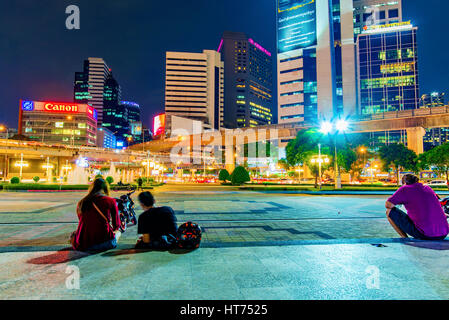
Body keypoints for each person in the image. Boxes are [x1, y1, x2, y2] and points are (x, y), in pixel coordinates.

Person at [385, 174, 449, 240]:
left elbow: (388, 205)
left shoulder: (404, 189)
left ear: (404, 183)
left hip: (426, 234)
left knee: (389, 211)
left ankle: (404, 238)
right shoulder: (428, 188)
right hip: (443, 234)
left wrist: (401, 200)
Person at [72, 178, 122, 252]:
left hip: (82, 245)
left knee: (74, 233)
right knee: (118, 232)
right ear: (105, 188)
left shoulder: (82, 202)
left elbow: (82, 221)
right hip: (103, 243)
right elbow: (116, 225)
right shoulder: (111, 201)